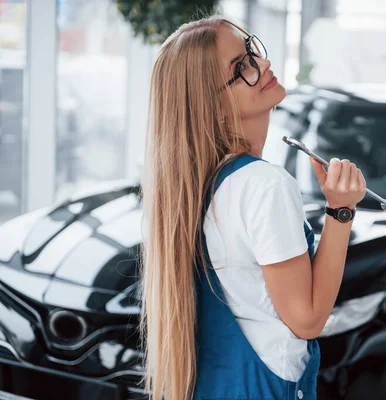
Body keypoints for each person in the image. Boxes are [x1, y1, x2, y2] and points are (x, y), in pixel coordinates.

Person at [141, 16, 367, 400]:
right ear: (214, 106)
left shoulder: (196, 187)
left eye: (252, 52)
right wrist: (340, 212)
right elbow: (308, 319)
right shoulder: (264, 184)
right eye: (241, 67)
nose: (262, 65)